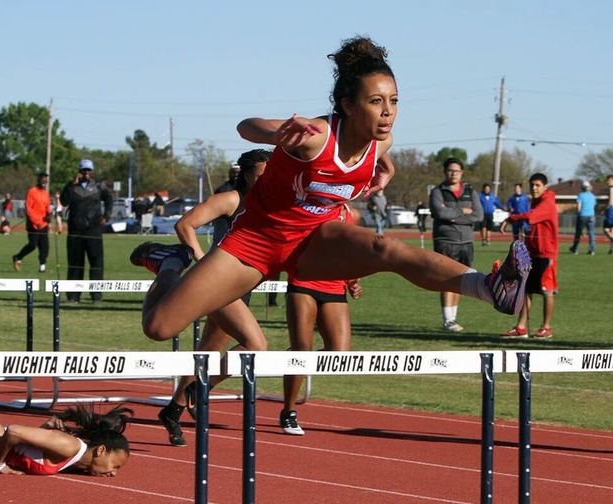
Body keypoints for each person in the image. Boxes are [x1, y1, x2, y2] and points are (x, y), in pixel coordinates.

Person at [130, 36, 530, 416]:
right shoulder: (316, 136)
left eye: (394, 101)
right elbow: (245, 126)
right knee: (159, 327)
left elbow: (378, 157)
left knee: (385, 250)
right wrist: (275, 133)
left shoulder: (381, 143)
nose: (388, 111)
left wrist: (385, 171)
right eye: (376, 102)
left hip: (313, 240)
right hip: (255, 242)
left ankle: (490, 288)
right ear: (348, 105)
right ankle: (167, 262)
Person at [155, 149, 270, 446]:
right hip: (219, 285)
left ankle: (173, 410)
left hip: (241, 287)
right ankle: (201, 390)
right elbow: (185, 224)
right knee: (256, 344)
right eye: (261, 174)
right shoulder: (232, 199)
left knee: (208, 352)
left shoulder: (270, 203)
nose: (268, 179)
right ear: (246, 174)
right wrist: (202, 260)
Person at [281, 205, 362, 436]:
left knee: (339, 353)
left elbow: (349, 250)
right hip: (303, 282)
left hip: (334, 285)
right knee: (302, 349)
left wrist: (352, 280)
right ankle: (288, 411)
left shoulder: (351, 214)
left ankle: (292, 360)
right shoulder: (304, 207)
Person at [0, 402, 131, 476]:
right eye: (115, 465)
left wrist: (44, 430)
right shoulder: (70, 446)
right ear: (101, 450)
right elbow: (13, 432)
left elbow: (28, 451)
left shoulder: (73, 460)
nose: (113, 473)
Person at [500, 173, 558, 339]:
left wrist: (511, 218)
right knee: (526, 290)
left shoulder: (547, 202)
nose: (534, 188)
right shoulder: (537, 201)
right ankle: (521, 327)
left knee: (547, 290)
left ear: (545, 187)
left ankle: (546, 327)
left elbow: (531, 216)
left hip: (547, 254)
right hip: (533, 253)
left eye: (538, 185)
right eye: (532, 185)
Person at [429, 158, 483, 332]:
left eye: (457, 171)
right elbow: (439, 212)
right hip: (445, 241)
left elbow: (478, 215)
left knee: (461, 280)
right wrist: (462, 212)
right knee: (446, 279)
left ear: (462, 173)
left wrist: (452, 216)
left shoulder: (470, 191)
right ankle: (447, 320)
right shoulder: (438, 191)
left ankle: (454, 317)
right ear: (445, 172)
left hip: (466, 242)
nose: (453, 174)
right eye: (450, 171)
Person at [60, 159, 113, 303]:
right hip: (75, 229)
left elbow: (109, 199)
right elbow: (64, 201)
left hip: (93, 229)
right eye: (84, 170)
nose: (86, 173)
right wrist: (71, 184)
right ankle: (73, 295)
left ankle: (96, 296)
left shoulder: (98, 186)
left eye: (88, 170)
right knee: (75, 263)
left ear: (92, 171)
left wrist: (106, 215)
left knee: (96, 262)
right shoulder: (72, 186)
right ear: (79, 171)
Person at [12, 173, 52, 273]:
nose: (44, 181)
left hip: (43, 224)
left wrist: (49, 214)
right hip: (33, 224)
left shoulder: (46, 193)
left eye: (46, 180)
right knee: (33, 245)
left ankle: (42, 267)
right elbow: (29, 209)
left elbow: (47, 206)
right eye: (43, 179)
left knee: (45, 246)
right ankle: (18, 257)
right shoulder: (32, 192)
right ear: (38, 179)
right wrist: (36, 221)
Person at [569, 181, 597, 255]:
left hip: (582, 215)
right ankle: (592, 250)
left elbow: (579, 206)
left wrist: (578, 213)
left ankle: (575, 249)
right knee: (591, 233)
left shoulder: (580, 195)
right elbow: (594, 205)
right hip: (591, 215)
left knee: (578, 233)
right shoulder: (592, 196)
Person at [604, 174, 613, 255]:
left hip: (611, 211)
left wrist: (606, 209)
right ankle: (611, 249)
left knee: (606, 230)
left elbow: (610, 202)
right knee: (612, 231)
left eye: (609, 180)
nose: (607, 182)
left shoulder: (611, 189)